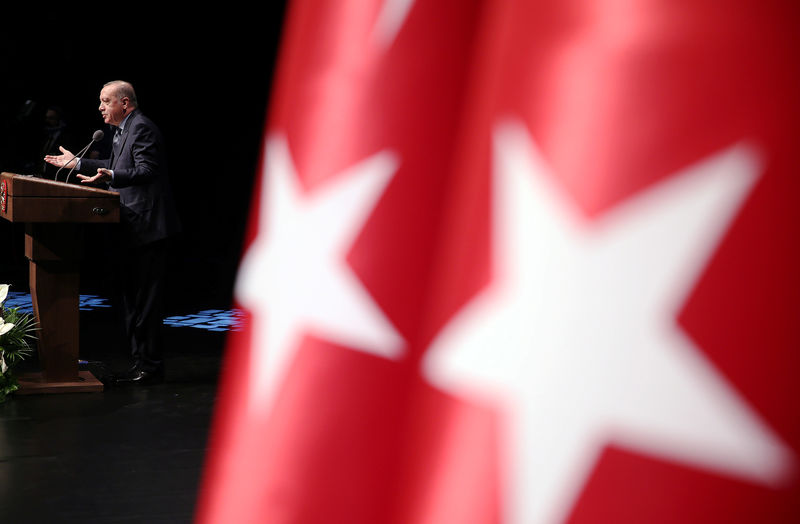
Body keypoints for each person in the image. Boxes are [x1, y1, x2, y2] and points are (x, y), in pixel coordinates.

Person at [44, 80, 181, 385]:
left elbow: (148, 170)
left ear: (125, 103)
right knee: (132, 302)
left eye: (106, 101)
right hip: (132, 229)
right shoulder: (121, 130)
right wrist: (78, 161)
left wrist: (113, 175)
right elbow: (114, 164)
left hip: (149, 229)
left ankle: (151, 367)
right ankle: (140, 363)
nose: (100, 107)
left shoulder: (142, 127)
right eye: (101, 101)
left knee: (146, 303)